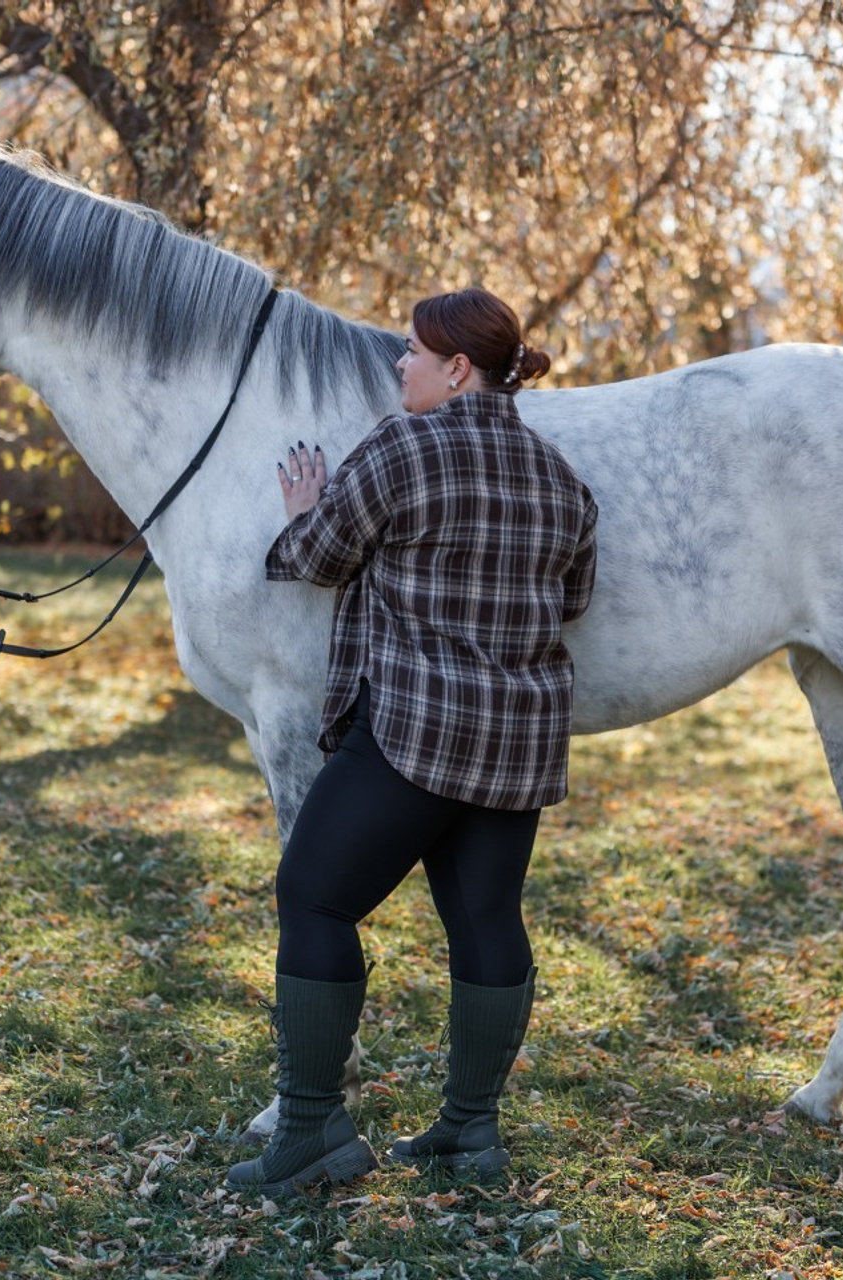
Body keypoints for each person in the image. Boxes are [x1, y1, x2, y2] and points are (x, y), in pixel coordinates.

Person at [226, 286, 598, 1199]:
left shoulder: (405, 446)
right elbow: (574, 599)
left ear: (458, 368)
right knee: (485, 922)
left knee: (312, 899)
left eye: (414, 353)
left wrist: (305, 507)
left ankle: (310, 1133)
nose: (401, 364)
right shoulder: (560, 477)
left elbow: (314, 559)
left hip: (411, 734)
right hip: (516, 748)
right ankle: (471, 1134)